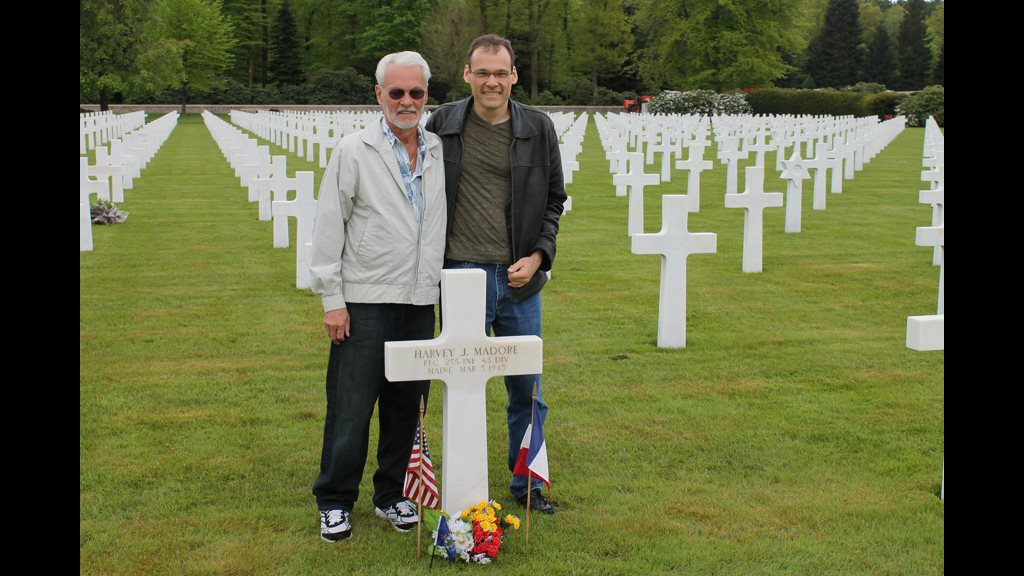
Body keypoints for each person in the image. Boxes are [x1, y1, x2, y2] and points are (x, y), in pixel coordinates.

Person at [425, 34, 566, 514]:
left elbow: (553, 200)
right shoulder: (442, 123)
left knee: (527, 389)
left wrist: (540, 256)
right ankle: (458, 482)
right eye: (482, 72)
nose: (491, 81)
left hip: (520, 278)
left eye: (500, 72)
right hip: (461, 274)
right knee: (460, 384)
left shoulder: (538, 128)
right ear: (467, 74)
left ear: (514, 76)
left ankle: (528, 485)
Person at [309, 51, 446, 542]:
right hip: (364, 298)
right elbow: (329, 225)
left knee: (407, 406)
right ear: (379, 95)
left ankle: (393, 494)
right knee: (351, 405)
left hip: (418, 300)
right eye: (397, 92)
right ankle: (334, 499)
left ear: (426, 96)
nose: (406, 101)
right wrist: (332, 299)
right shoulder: (354, 150)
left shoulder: (437, 149)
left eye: (416, 93)